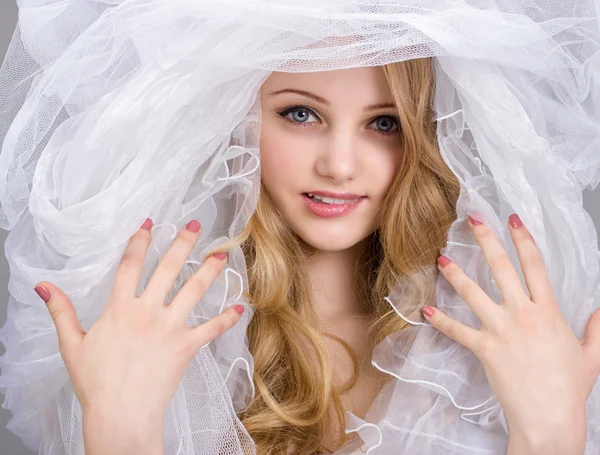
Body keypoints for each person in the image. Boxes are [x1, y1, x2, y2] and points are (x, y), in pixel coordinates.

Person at [1, 2, 600, 455]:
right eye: (301, 113)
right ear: (236, 120)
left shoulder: (489, 350)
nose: (339, 164)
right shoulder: (165, 346)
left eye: (384, 123)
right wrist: (119, 429)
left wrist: (550, 431)